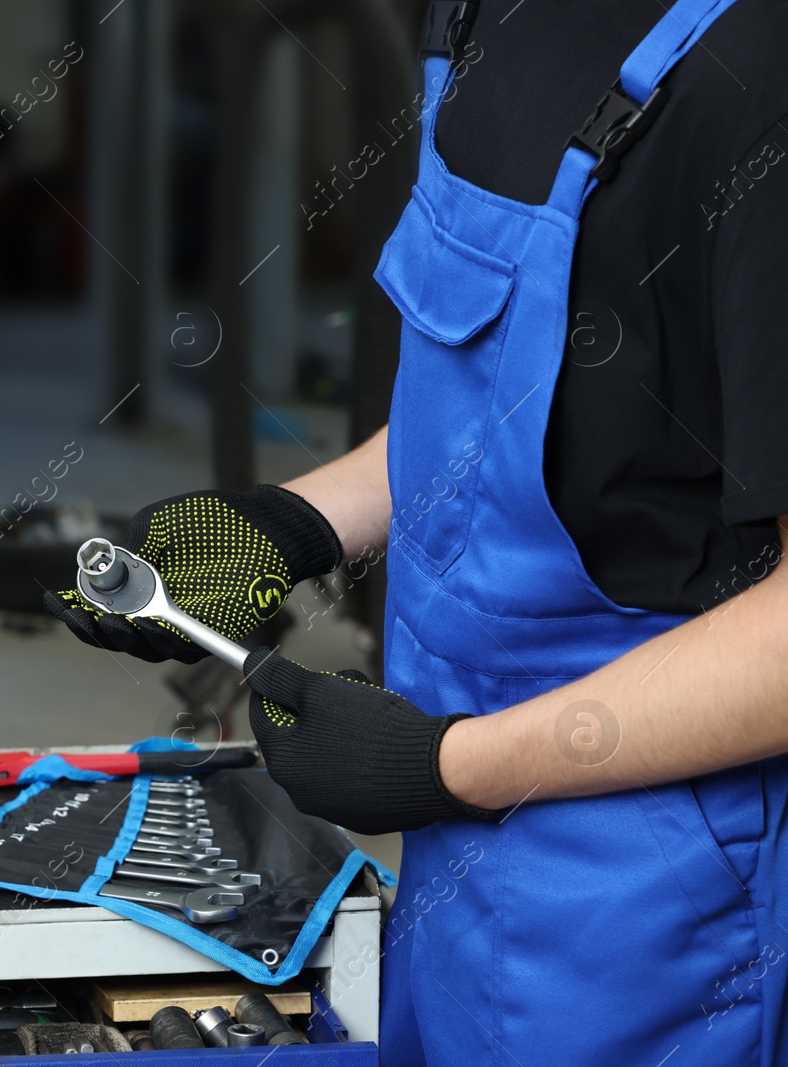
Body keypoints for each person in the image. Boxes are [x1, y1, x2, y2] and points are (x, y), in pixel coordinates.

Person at [47, 0, 788, 1062]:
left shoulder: (758, 80)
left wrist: (456, 763)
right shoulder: (485, 15)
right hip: (452, 857)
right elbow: (522, 412)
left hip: (651, 908)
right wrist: (296, 526)